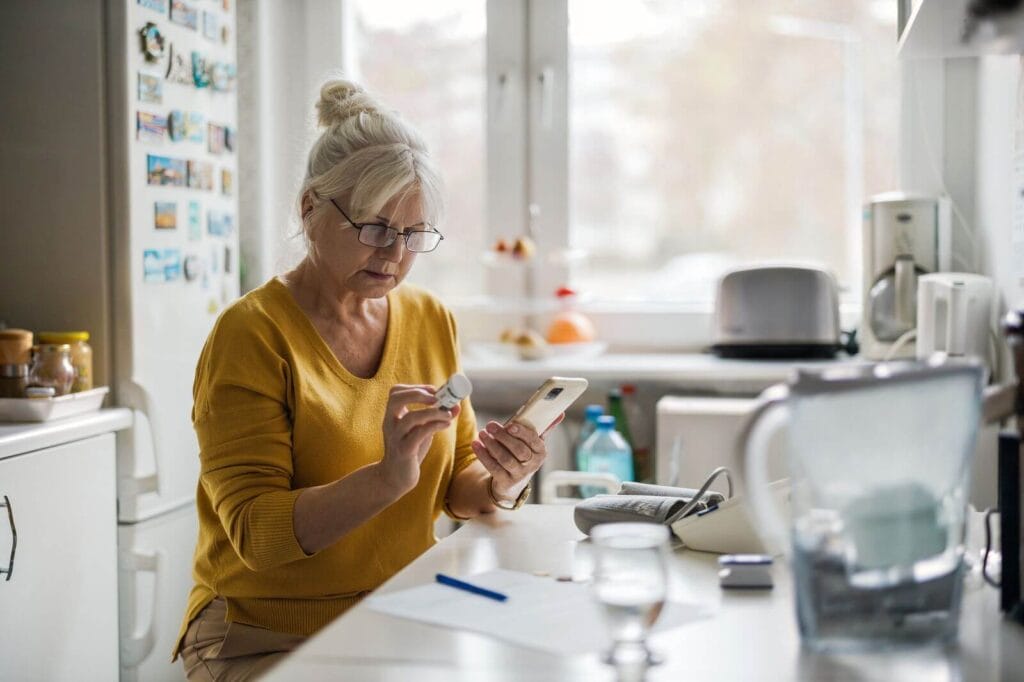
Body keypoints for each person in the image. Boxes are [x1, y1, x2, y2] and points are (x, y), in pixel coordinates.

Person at [175, 79, 559, 681]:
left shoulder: (431, 318)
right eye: (375, 227)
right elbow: (255, 533)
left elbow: (458, 486)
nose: (394, 255)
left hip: (399, 615)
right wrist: (385, 478)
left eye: (413, 235)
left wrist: (503, 481)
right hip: (261, 633)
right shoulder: (251, 334)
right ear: (309, 208)